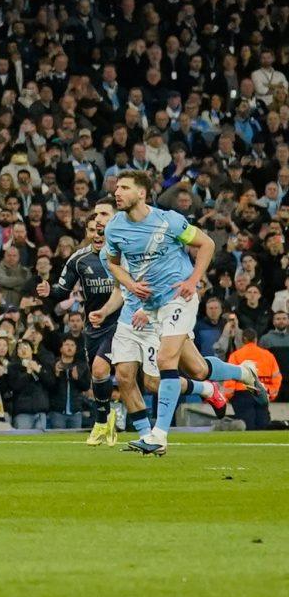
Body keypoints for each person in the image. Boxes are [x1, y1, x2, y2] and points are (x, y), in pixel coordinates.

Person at [103, 171, 260, 456]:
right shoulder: (114, 229)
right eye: (116, 188)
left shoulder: (169, 220)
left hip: (178, 298)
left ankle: (159, 436)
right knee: (198, 369)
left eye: (124, 187)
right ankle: (243, 372)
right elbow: (114, 265)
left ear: (142, 193)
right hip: (150, 307)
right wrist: (130, 284)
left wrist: (193, 280)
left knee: (164, 360)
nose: (117, 192)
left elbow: (207, 244)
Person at [59, 203, 127, 444]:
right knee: (98, 376)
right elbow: (61, 289)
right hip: (95, 326)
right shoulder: (80, 259)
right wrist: (49, 291)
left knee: (102, 369)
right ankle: (105, 420)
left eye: (101, 230)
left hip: (123, 322)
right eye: (92, 230)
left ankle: (107, 421)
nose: (97, 235)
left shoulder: (124, 253)